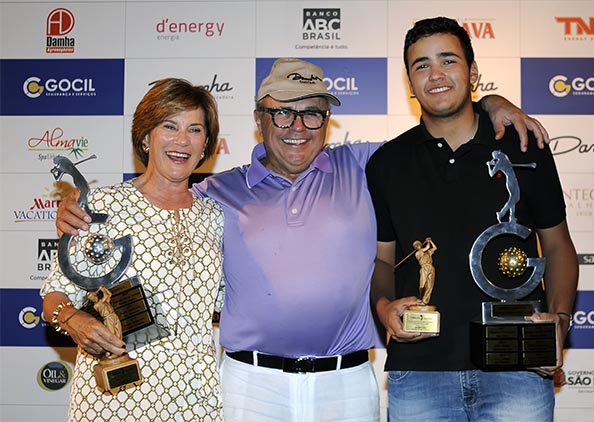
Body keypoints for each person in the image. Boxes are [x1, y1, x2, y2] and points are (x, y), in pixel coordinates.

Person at [56, 58, 550, 422]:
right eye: (282, 113)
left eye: (312, 113)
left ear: (327, 120)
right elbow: (155, 193)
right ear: (260, 117)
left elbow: (442, 125)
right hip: (250, 386)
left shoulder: (363, 166)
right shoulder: (213, 192)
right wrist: (78, 211)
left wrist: (488, 103)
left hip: (347, 384)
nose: (297, 127)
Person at [365, 17, 579, 421]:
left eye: (448, 60)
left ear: (473, 72)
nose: (436, 75)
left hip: (517, 367)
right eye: (421, 65)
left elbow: (557, 245)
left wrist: (560, 322)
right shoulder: (386, 164)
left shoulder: (524, 146)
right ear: (410, 83)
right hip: (421, 367)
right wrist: (383, 307)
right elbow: (382, 260)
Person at [42, 78, 224, 421]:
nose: (182, 140)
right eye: (169, 126)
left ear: (206, 145)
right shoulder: (101, 206)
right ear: (145, 137)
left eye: (195, 129)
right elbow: (54, 295)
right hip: (116, 398)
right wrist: (73, 319)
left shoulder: (216, 216)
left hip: (195, 399)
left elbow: (231, 301)